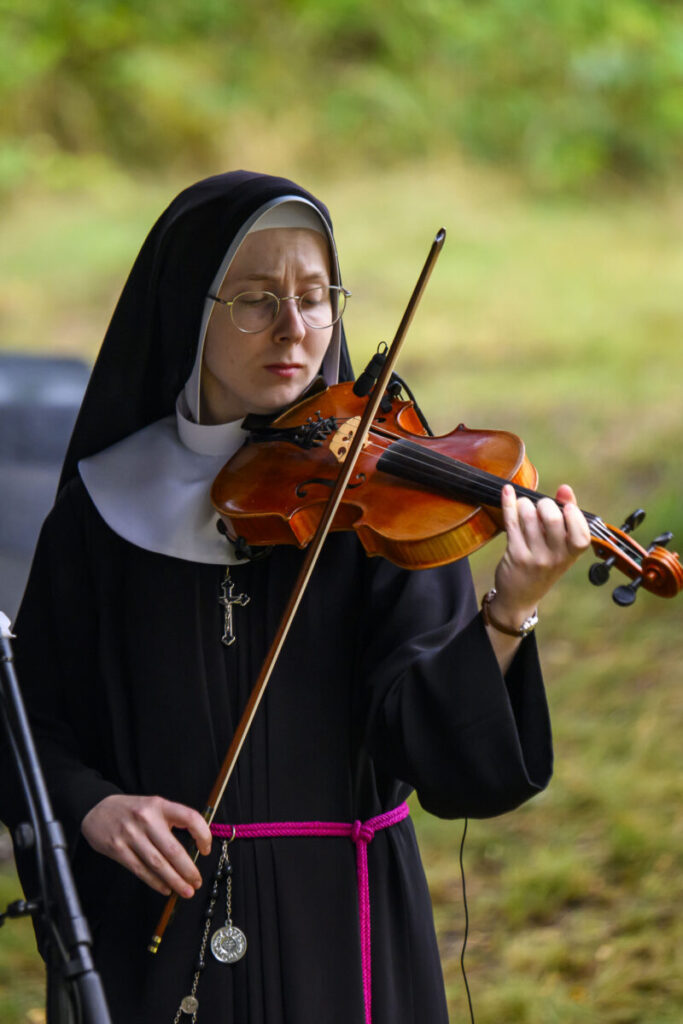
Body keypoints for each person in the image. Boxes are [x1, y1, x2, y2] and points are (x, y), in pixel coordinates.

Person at [2, 170, 590, 1024]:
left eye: (315, 297)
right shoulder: (102, 507)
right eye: (254, 299)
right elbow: (30, 719)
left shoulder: (374, 496)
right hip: (156, 935)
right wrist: (93, 808)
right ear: (188, 309)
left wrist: (506, 611)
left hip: (345, 930)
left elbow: (436, 751)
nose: (295, 330)